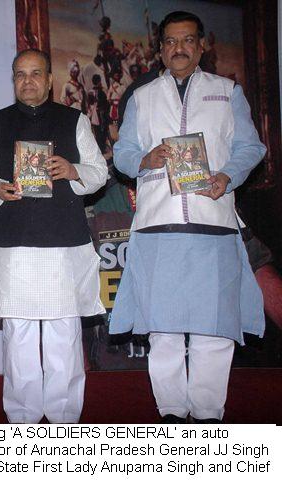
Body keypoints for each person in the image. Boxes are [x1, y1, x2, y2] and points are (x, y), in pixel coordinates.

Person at [110, 11, 266, 423]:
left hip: (212, 224)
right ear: (160, 49)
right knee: (162, 330)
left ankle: (209, 416)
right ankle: (172, 415)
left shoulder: (227, 91)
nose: (178, 48)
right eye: (170, 42)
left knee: (213, 329)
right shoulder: (141, 97)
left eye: (187, 41)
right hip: (157, 226)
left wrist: (227, 176)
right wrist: (145, 158)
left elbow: (251, 148)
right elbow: (123, 153)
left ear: (201, 46)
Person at [0, 49, 107, 423]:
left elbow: (99, 172)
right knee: (19, 338)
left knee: (64, 335)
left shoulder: (75, 121)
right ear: (13, 79)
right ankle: (24, 421)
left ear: (49, 80)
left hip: (64, 244)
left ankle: (65, 420)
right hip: (14, 246)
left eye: (35, 74)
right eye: (20, 74)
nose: (27, 81)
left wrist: (73, 169)